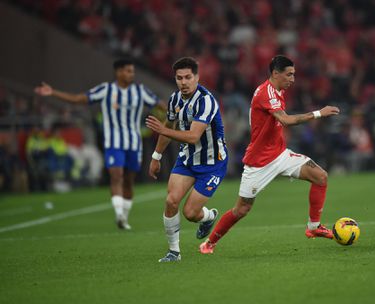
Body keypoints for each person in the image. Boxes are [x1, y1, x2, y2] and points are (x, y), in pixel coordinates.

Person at [199, 55, 340, 254]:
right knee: (241, 210)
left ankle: (314, 227)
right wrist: (318, 113)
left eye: (294, 74)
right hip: (259, 162)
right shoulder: (267, 93)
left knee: (321, 176)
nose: (292, 79)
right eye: (289, 74)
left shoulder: (277, 90)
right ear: (275, 73)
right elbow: (287, 121)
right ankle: (209, 243)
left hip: (280, 155)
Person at [34, 58, 160, 229]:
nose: (132, 74)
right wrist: (53, 92)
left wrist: (178, 110)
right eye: (128, 71)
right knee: (116, 175)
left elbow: (160, 104)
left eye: (133, 71)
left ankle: (125, 215)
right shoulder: (106, 90)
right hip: (113, 142)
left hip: (134, 143)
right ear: (119, 72)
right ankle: (119, 216)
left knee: (129, 181)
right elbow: (79, 99)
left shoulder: (141, 91)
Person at [145, 57, 228, 262]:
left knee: (191, 213)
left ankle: (209, 216)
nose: (184, 82)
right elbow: (169, 128)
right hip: (188, 159)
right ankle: (174, 252)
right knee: (171, 200)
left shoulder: (205, 101)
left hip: (212, 164)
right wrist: (156, 157)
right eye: (179, 78)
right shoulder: (174, 100)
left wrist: (163, 130)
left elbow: (193, 136)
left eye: (188, 77)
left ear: (197, 77)